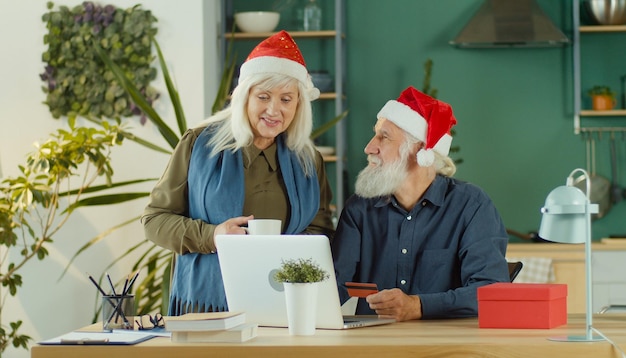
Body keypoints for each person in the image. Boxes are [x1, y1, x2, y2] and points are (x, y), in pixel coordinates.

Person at [142, 30, 335, 315]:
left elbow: (321, 232)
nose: (274, 110)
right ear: (244, 97)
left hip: (283, 306)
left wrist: (287, 253)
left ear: (299, 104)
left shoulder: (309, 160)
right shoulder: (198, 145)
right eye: (264, 96)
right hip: (205, 308)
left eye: (286, 99)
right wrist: (213, 235)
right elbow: (155, 220)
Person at [331, 86, 509, 321]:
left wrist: (418, 306)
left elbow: (490, 292)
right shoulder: (359, 209)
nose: (369, 147)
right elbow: (332, 288)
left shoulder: (472, 206)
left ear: (419, 150)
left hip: (447, 349)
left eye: (384, 136)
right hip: (373, 346)